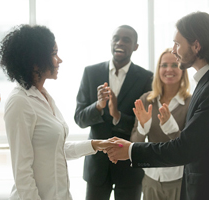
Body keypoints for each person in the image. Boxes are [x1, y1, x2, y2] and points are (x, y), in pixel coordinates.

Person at [107, 11, 209, 200]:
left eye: (178, 44)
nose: (173, 49)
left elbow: (185, 148)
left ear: (196, 45)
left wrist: (131, 150)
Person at [0, 24, 121, 200]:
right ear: (35, 61)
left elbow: (55, 149)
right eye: (54, 54)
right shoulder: (20, 102)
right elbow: (22, 172)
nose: (59, 60)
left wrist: (95, 145)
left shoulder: (45, 97)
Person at [74, 25, 153, 200]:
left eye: (126, 39)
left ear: (135, 46)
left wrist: (117, 115)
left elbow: (144, 124)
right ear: (110, 42)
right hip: (97, 166)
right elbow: (79, 119)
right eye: (116, 38)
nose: (120, 42)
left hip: (130, 165)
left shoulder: (147, 78)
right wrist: (99, 106)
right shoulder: (91, 72)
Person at [130, 48, 190, 200]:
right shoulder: (146, 100)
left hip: (179, 180)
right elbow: (135, 144)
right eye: (164, 65)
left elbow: (189, 147)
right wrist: (143, 127)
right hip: (151, 179)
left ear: (182, 69)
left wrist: (171, 128)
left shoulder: (191, 102)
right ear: (158, 69)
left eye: (175, 65)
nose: (169, 69)